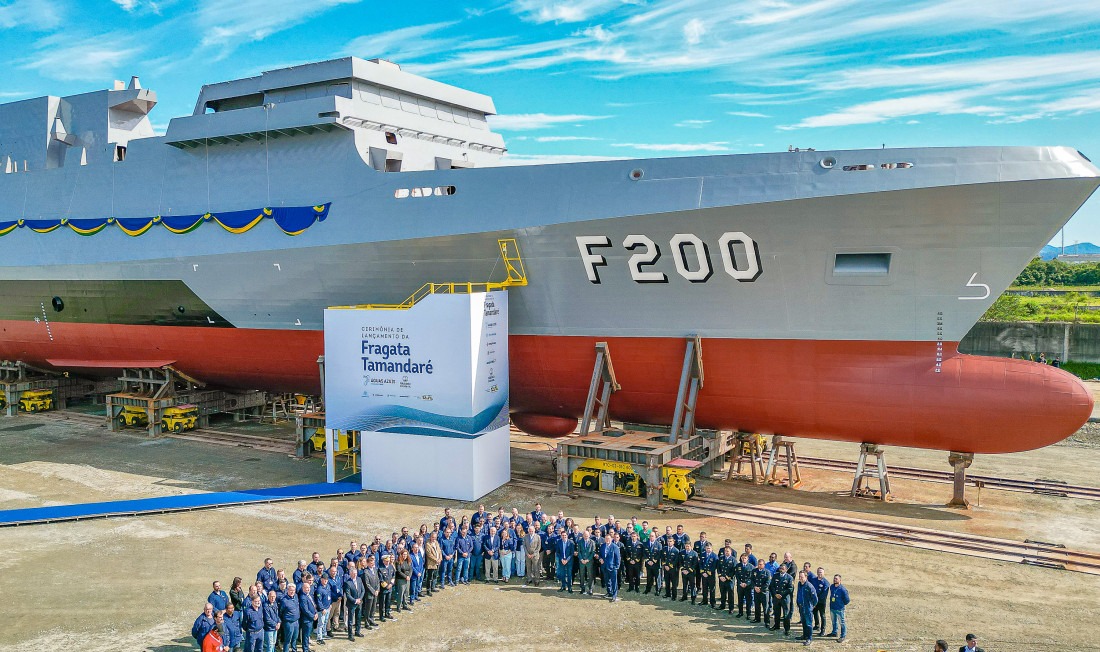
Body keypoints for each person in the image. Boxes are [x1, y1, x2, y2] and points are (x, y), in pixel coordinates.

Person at [769, 564, 794, 636]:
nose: (781, 570)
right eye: (780, 568)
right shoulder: (775, 576)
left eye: (783, 569)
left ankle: (787, 629)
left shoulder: (789, 578)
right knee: (776, 613)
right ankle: (776, 626)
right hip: (776, 598)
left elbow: (790, 589)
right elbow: (772, 586)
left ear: (786, 570)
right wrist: (775, 594)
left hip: (785, 598)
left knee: (786, 614)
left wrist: (782, 595)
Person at [796, 570, 818, 646]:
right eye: (799, 577)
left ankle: (809, 638)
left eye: (802, 577)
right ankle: (804, 635)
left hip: (807, 608)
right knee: (804, 622)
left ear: (806, 577)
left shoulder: (809, 586)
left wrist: (812, 606)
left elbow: (815, 599)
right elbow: (798, 593)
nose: (800, 578)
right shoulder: (799, 584)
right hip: (801, 607)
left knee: (809, 624)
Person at [342, 566, 363, 640]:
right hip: (352, 604)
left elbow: (362, 590)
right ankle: (350, 634)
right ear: (350, 574)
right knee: (350, 620)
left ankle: (357, 631)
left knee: (358, 618)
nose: (355, 575)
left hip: (359, 602)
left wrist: (359, 599)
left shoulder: (359, 579)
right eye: (353, 573)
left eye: (356, 573)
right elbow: (348, 594)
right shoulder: (348, 583)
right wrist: (355, 600)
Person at [827, 574, 849, 642]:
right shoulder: (832, 587)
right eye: (834, 578)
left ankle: (843, 635)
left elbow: (847, 600)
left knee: (842, 622)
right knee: (834, 621)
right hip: (832, 608)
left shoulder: (843, 589)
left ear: (840, 580)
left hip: (839, 609)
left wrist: (841, 604)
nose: (835, 580)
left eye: (836, 579)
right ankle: (834, 632)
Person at [279, 584, 300, 652]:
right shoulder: (284, 600)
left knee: (295, 638)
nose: (292, 592)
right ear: (287, 590)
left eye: (293, 590)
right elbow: (280, 612)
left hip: (296, 622)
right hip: (288, 622)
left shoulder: (296, 596)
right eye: (290, 590)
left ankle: (294, 650)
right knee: (288, 639)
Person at [601, 533, 621, 601]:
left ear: (611, 539)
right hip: (605, 567)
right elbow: (601, 555)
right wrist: (600, 559)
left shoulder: (615, 547)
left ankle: (614, 595)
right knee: (607, 581)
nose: (607, 540)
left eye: (608, 539)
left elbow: (618, 558)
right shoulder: (603, 546)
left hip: (612, 567)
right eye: (606, 539)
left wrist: (616, 567)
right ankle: (609, 592)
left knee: (614, 582)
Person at [576, 530, 597, 595]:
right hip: (581, 561)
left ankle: (590, 589)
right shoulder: (580, 542)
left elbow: (593, 552)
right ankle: (582, 588)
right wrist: (581, 559)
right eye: (585, 535)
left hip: (589, 561)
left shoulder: (592, 542)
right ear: (583, 535)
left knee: (590, 575)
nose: (586, 537)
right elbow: (579, 551)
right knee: (581, 575)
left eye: (587, 536)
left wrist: (588, 559)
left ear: (589, 535)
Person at [298, 583, 317, 652]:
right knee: (305, 635)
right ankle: (305, 649)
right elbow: (305, 610)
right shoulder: (303, 597)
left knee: (308, 635)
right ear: (303, 588)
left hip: (310, 619)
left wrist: (315, 613)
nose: (308, 589)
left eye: (309, 587)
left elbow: (313, 605)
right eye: (306, 588)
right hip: (306, 620)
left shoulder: (308, 595)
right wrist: (313, 616)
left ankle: (307, 648)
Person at [751, 558, 772, 623]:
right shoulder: (754, 571)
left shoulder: (767, 572)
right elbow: (752, 580)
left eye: (761, 564)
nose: (759, 566)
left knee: (765, 607)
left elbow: (767, 582)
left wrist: (761, 589)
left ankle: (767, 621)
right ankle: (757, 618)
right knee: (757, 606)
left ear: (764, 565)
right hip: (756, 591)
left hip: (764, 592)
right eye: (758, 564)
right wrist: (755, 587)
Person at [556, 527, 575, 592]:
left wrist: (567, 560)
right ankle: (563, 586)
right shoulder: (559, 542)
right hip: (561, 561)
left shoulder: (571, 542)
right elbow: (557, 552)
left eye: (565, 535)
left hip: (569, 561)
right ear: (561, 536)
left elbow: (572, 553)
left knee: (569, 574)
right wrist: (561, 559)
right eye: (562, 535)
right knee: (562, 574)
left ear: (567, 536)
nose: (564, 536)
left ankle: (569, 587)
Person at [699, 542, 718, 608]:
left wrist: (708, 573)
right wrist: (703, 572)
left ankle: (713, 602)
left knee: (712, 589)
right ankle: (704, 600)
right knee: (704, 588)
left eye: (709, 548)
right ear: (705, 548)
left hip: (711, 575)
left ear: (712, 548)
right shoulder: (702, 554)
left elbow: (714, 566)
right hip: (704, 575)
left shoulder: (714, 556)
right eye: (707, 548)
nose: (708, 550)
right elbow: (700, 564)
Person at [314, 574, 332, 644]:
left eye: (327, 579)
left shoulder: (327, 586)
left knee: (325, 622)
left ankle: (324, 634)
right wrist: (322, 609)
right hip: (322, 610)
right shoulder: (319, 589)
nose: (326, 581)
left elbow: (329, 596)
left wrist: (330, 604)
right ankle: (319, 638)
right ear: (321, 579)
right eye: (324, 579)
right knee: (320, 624)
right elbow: (319, 601)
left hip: (327, 608)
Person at [377, 555, 395, 622]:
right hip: (383, 589)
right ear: (383, 561)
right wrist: (386, 586)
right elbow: (381, 579)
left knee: (388, 601)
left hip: (390, 588)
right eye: (386, 561)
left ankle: (387, 613)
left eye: (388, 561)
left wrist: (391, 584)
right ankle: (381, 616)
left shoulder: (391, 567)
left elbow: (393, 576)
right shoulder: (380, 569)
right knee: (382, 603)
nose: (388, 562)